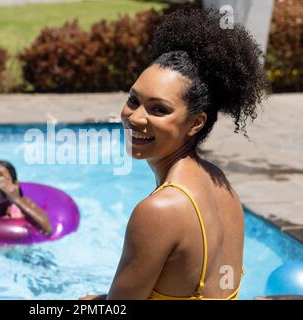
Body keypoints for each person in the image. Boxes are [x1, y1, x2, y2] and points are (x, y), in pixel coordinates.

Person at [79, 8, 268, 300]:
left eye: (159, 109)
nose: (136, 118)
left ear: (196, 123)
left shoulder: (159, 211)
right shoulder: (220, 184)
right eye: (133, 100)